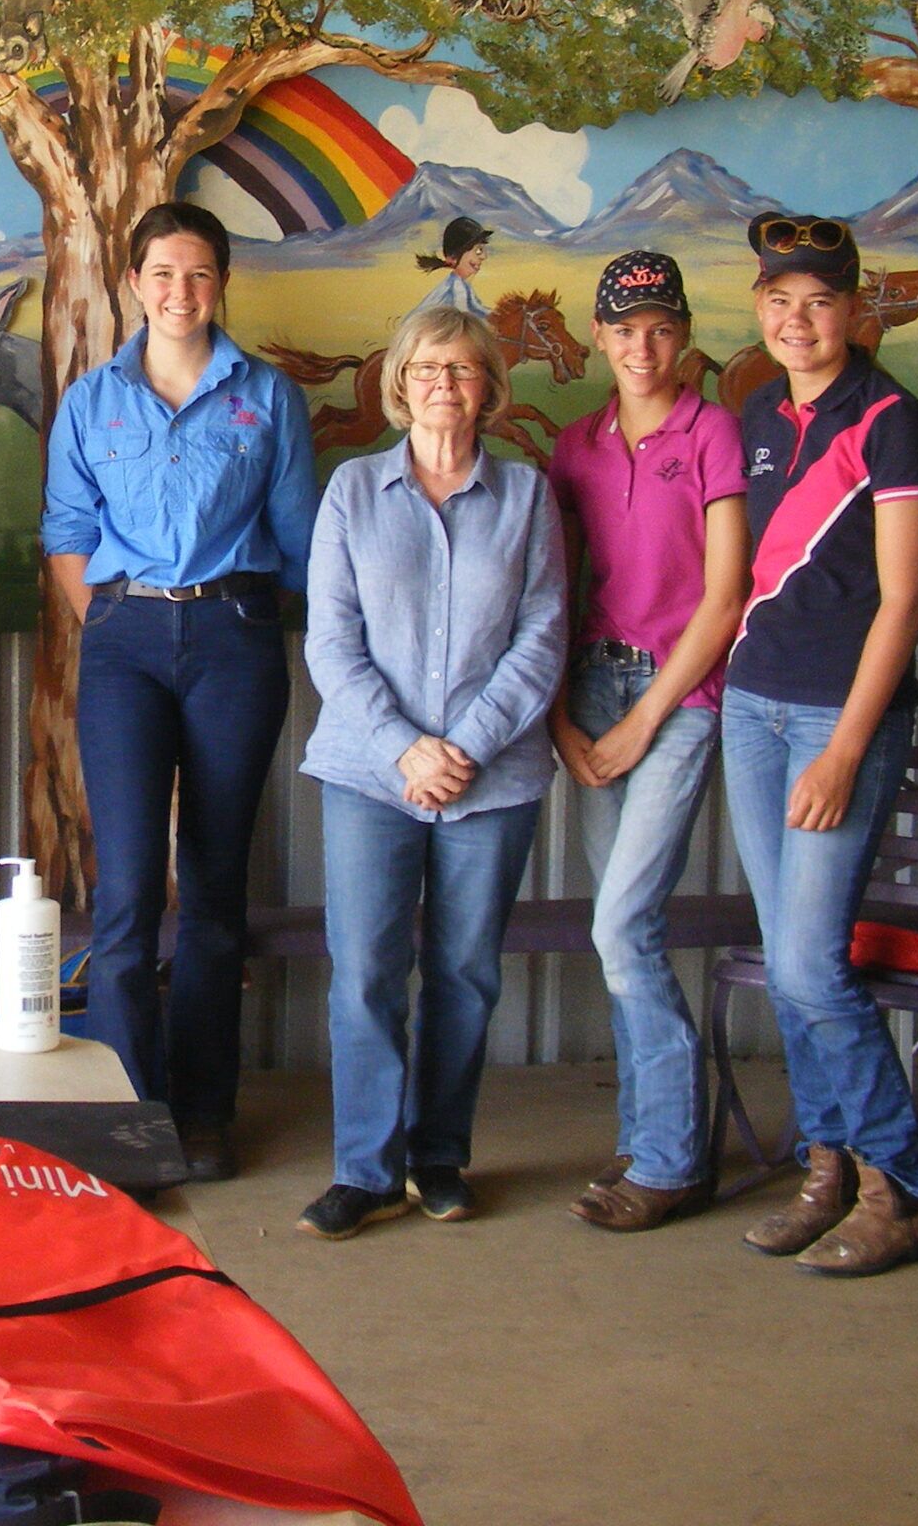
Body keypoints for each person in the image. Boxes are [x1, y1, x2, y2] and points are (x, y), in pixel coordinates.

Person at [40, 202, 318, 1182]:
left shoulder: (268, 399)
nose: (179, 293)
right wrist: (113, 625)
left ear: (221, 284)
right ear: (134, 282)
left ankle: (202, 1115)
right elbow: (67, 532)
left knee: (209, 890)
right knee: (120, 894)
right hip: (122, 643)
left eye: (198, 274)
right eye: (162, 273)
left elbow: (298, 543)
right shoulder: (92, 401)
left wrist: (220, 614)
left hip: (234, 638)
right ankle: (127, 1114)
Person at [296, 304, 566, 1239]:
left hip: (492, 777)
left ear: (489, 386)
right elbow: (330, 642)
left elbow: (541, 637)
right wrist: (405, 748)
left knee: (463, 970)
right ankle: (363, 1170)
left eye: (462, 370)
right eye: (425, 369)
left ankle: (439, 1157)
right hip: (371, 771)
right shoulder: (350, 494)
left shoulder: (528, 497)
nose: (443, 385)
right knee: (367, 967)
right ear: (397, 384)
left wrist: (467, 746)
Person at [723, 213, 918, 1277]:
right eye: (778, 302)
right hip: (751, 709)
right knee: (787, 962)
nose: (797, 321)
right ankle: (828, 1165)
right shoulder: (759, 412)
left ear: (855, 312)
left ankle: (894, 1183)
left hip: (833, 723)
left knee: (813, 967)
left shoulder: (895, 422)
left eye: (818, 303)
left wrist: (845, 750)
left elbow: (902, 602)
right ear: (758, 309)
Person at [546, 251, 747, 1232]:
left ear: (684, 335)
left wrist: (642, 719)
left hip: (681, 691)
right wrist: (560, 718)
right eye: (623, 329)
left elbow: (723, 598)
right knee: (620, 926)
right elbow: (553, 592)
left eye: (661, 328)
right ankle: (646, 1130)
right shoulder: (575, 447)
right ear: (597, 335)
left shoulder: (711, 431)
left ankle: (672, 1156)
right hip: (591, 685)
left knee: (622, 925)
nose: (642, 346)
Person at [411, 216, 491, 320]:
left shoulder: (463, 285)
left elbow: (477, 308)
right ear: (453, 257)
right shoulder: (455, 287)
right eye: (478, 251)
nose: (484, 257)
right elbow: (464, 317)